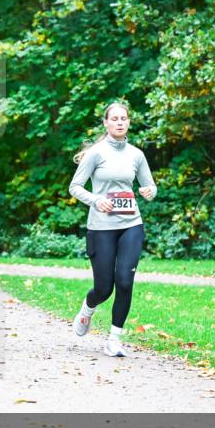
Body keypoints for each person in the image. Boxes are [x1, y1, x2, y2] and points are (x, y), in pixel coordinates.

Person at [68, 102, 157, 357]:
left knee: (125, 281)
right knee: (104, 288)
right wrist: (97, 200)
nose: (119, 122)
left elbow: (150, 188)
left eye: (124, 118)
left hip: (131, 224)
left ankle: (114, 339)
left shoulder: (136, 155)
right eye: (114, 118)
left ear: (128, 122)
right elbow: (75, 187)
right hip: (101, 227)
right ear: (106, 123)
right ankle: (88, 307)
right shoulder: (96, 153)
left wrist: (149, 191)